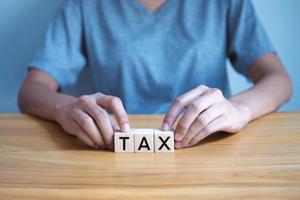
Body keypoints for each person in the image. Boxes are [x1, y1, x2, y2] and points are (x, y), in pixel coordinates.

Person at [18, 0, 292, 149]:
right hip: (112, 153)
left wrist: (238, 110)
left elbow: (278, 80)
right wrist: (66, 109)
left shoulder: (225, 3)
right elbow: (32, 89)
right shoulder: (83, 6)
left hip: (210, 149)